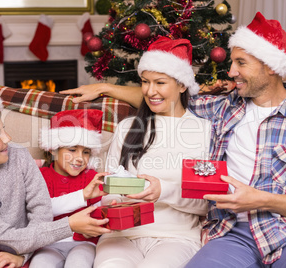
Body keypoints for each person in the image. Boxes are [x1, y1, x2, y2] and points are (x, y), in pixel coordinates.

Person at [63, 12, 286, 267]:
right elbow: (166, 99)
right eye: (232, 62)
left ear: (271, 67)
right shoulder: (221, 109)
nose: (231, 72)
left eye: (241, 63)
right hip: (232, 232)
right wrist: (104, 88)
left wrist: (261, 199)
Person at [0, 91, 111, 268]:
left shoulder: (19, 156)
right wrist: (70, 225)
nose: (8, 139)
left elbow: (41, 209)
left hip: (26, 244)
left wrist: (23, 255)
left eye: (4, 130)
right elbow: (4, 236)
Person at [94, 37, 211, 268]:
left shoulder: (203, 132)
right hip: (121, 236)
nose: (150, 91)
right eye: (145, 82)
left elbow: (207, 204)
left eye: (160, 82)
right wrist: (114, 201)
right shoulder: (128, 128)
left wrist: (162, 191)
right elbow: (107, 192)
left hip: (176, 238)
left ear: (182, 84)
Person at [29, 109, 108, 268]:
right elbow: (37, 212)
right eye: (72, 150)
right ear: (52, 149)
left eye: (86, 152)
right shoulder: (39, 177)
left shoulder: (92, 177)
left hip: (84, 242)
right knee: (39, 264)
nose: (80, 158)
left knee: (78, 263)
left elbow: (100, 210)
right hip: (48, 244)